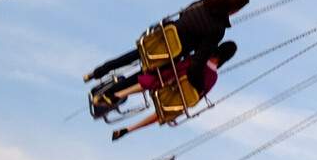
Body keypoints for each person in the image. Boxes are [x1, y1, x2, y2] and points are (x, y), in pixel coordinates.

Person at [84, 0, 249, 84]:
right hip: (174, 52)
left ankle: (96, 72)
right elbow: (198, 60)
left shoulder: (204, 2)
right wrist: (198, 83)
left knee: (133, 55)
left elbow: (184, 13)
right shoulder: (218, 30)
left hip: (165, 36)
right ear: (233, 9)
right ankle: (114, 92)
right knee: (147, 75)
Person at [100, 41, 236, 139]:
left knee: (156, 78)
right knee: (167, 112)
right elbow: (197, 98)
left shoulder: (198, 58)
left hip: (165, 85)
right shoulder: (213, 78)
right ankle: (129, 129)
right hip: (173, 101)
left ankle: (119, 94)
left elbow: (178, 68)